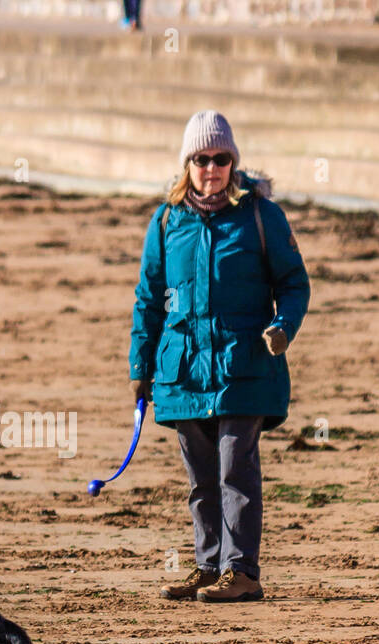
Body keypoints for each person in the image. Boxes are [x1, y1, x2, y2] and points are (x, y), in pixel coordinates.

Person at [129, 110, 311, 602]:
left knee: (236, 470)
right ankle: (209, 567)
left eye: (221, 158)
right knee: (202, 479)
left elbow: (294, 283)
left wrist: (282, 328)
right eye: (201, 158)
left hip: (244, 367)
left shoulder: (260, 215)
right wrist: (139, 367)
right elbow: (148, 298)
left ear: (233, 162)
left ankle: (242, 571)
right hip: (183, 370)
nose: (211, 168)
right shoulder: (167, 221)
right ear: (187, 163)